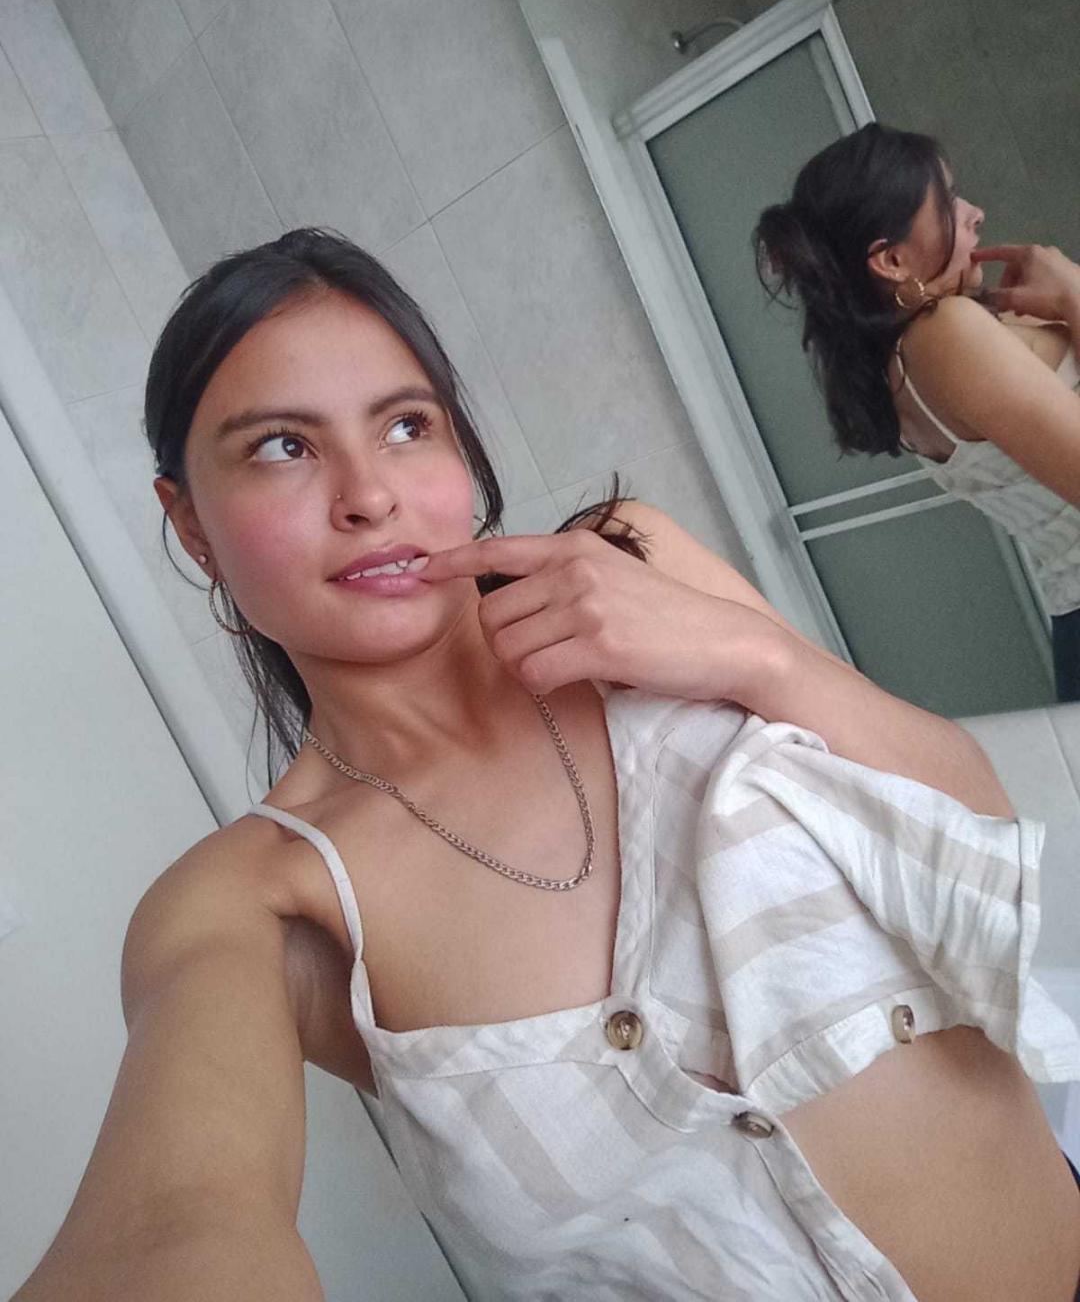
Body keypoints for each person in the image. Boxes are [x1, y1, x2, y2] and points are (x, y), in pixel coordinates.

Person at [14, 229, 1080, 1302]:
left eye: (406, 425)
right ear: (192, 528)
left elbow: (974, 820)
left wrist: (754, 657)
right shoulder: (258, 897)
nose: (368, 494)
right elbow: (176, 1222)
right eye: (283, 447)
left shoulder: (635, 559)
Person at [755, 121, 1080, 702]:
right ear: (892, 260)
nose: (975, 213)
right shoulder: (944, 335)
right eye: (949, 203)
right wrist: (1075, 297)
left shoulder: (917, 357)